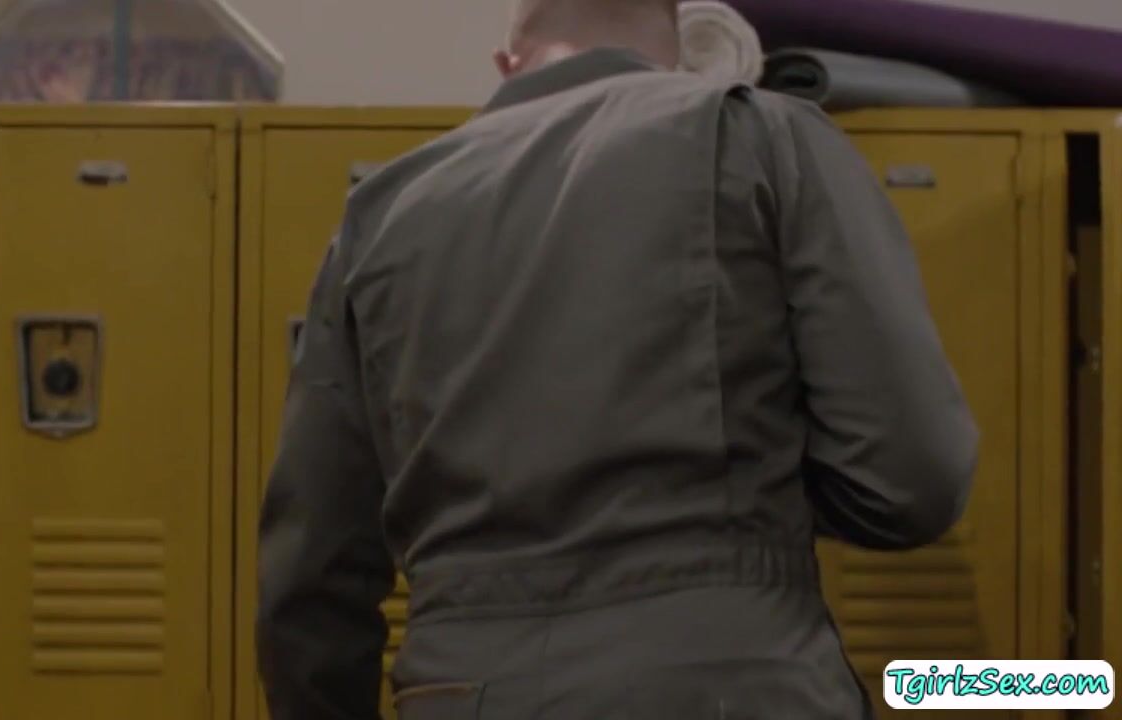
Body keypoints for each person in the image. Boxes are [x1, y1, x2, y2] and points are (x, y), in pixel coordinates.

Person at [256, 0, 979, 717]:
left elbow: (310, 583)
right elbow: (912, 478)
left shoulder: (381, 214)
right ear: (678, 54)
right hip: (732, 681)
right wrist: (753, 504)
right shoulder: (762, 135)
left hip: (466, 692)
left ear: (507, 65)